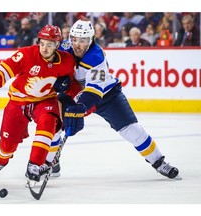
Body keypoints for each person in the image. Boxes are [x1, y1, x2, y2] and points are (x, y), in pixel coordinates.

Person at [49, 19, 180, 180]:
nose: (77, 44)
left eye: (82, 40)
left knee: (133, 131)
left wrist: (79, 108)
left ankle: (159, 162)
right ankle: (51, 162)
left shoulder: (97, 57)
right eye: (74, 39)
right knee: (54, 121)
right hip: (76, 92)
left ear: (90, 40)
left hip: (107, 96)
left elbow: (93, 92)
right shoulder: (64, 48)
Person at [0, 24, 77, 186]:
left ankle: (35, 164)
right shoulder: (27, 54)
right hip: (18, 101)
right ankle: (0, 161)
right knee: (7, 143)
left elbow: (73, 84)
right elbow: (3, 70)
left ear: (57, 45)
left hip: (45, 101)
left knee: (49, 121)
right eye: (42, 43)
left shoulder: (67, 61)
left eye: (49, 44)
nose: (45, 48)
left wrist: (70, 95)